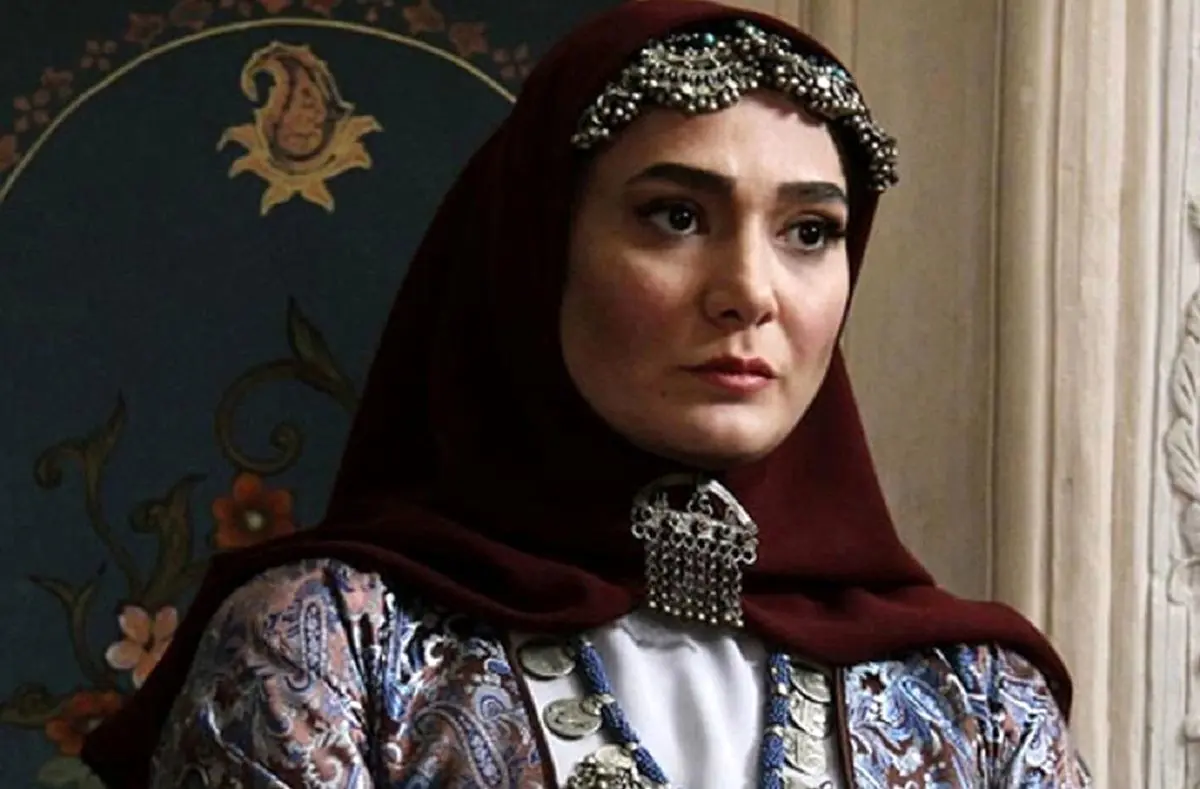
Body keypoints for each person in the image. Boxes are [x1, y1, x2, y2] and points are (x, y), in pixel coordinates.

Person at [81, 1, 1092, 787]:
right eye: (675, 216)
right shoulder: (332, 643)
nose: (750, 292)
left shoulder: (977, 696)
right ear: (540, 251)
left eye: (809, 232)